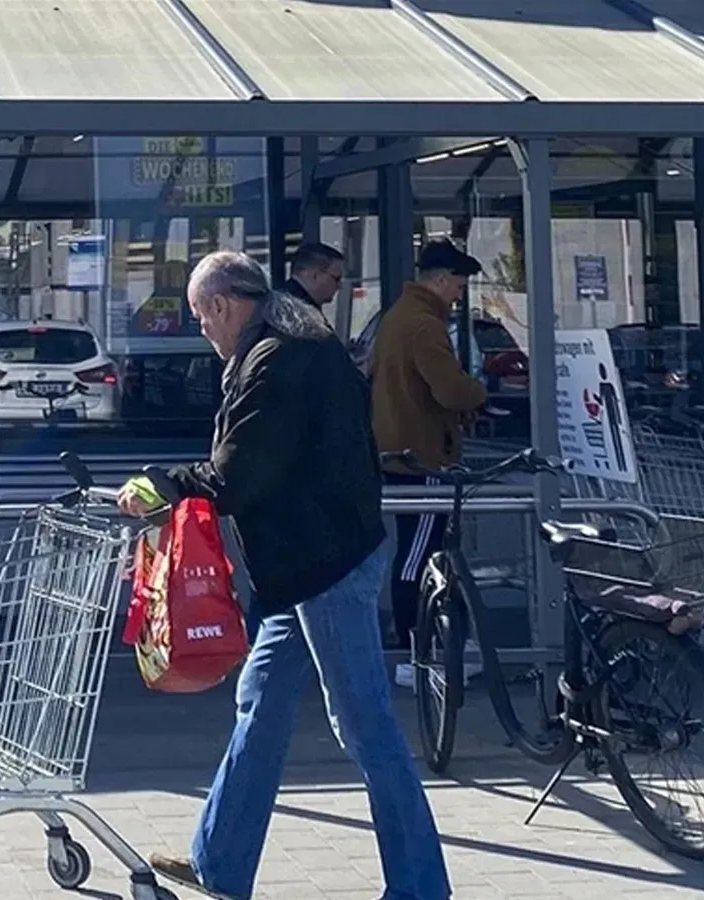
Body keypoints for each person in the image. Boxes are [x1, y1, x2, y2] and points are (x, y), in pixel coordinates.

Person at [118, 251, 450, 900]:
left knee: (365, 725)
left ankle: (420, 888)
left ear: (220, 305)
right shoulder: (290, 340)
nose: (202, 331)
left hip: (325, 565)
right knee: (261, 708)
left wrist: (163, 485)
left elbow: (241, 472)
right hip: (303, 567)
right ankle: (220, 864)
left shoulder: (277, 362)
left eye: (199, 317)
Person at [370, 241, 489, 686]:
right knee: (419, 555)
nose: (459, 294)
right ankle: (412, 649)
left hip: (402, 452)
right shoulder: (424, 326)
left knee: (422, 552)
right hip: (421, 460)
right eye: (458, 285)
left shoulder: (399, 317)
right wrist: (479, 392)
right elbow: (451, 391)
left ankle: (428, 643)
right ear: (440, 280)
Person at [280, 241, 345, 311]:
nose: (339, 286)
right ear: (315, 276)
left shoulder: (281, 301)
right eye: (337, 279)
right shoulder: (298, 310)